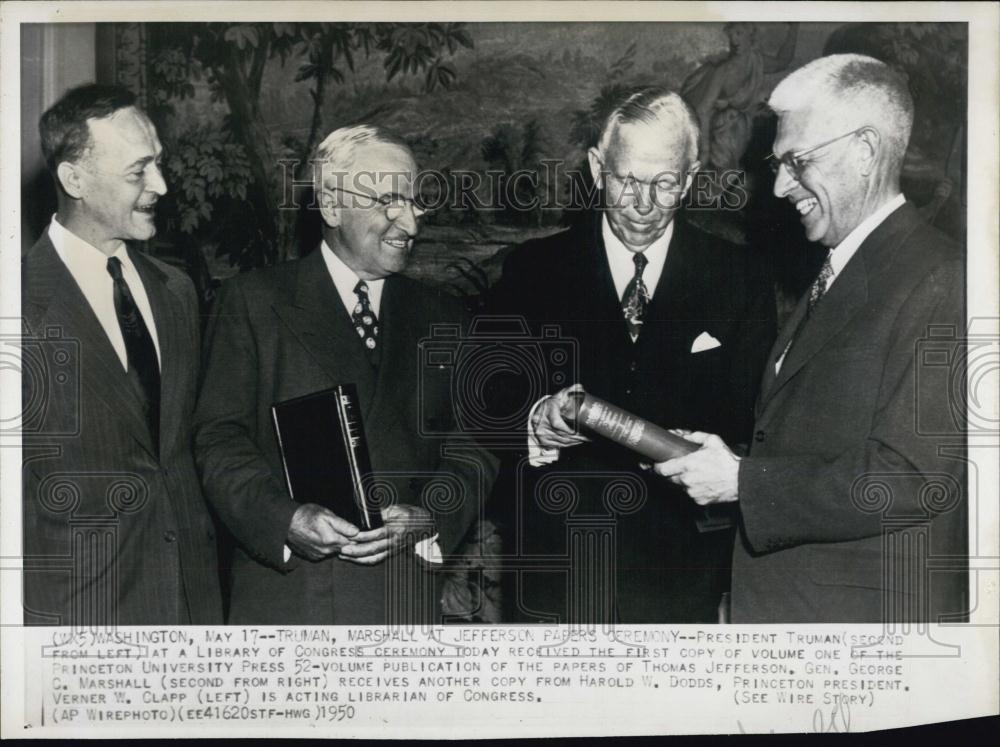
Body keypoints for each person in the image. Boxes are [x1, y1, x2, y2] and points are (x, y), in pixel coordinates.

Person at [653, 54, 968, 623]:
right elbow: (816, 447)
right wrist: (731, 463)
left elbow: (914, 478)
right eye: (778, 164)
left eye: (797, 161)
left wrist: (743, 481)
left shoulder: (944, 278)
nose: (778, 186)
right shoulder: (846, 270)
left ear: (866, 151)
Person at [487, 88, 776, 623]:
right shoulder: (531, 270)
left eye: (665, 183)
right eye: (626, 180)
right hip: (554, 569)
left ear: (690, 178)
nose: (643, 204)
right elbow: (488, 402)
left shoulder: (742, 279)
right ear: (598, 168)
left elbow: (756, 424)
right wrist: (534, 423)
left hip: (680, 575)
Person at [193, 125, 498, 625]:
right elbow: (217, 440)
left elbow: (475, 446)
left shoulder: (445, 316)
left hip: (404, 600)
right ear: (331, 207)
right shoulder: (251, 303)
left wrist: (432, 515)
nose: (411, 223)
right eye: (389, 202)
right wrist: (285, 520)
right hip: (291, 601)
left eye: (415, 202)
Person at [21, 84, 222, 625]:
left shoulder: (176, 290)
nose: (161, 184)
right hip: (77, 619)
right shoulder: (15, 305)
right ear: (74, 179)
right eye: (139, 172)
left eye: (158, 164)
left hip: (192, 608)